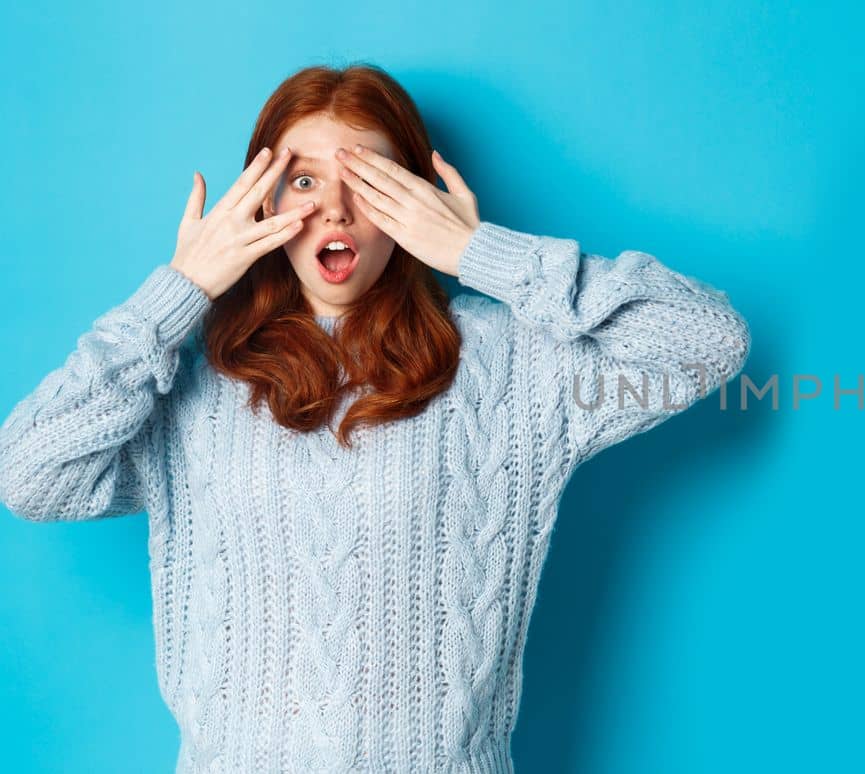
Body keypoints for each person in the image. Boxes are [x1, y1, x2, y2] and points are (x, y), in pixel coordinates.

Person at [0, 62, 750, 772]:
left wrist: (478, 250)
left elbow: (707, 341)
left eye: (369, 177)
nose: (335, 206)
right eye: (303, 179)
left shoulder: (512, 366)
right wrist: (179, 292)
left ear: (415, 198)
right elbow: (28, 475)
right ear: (261, 203)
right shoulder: (193, 378)